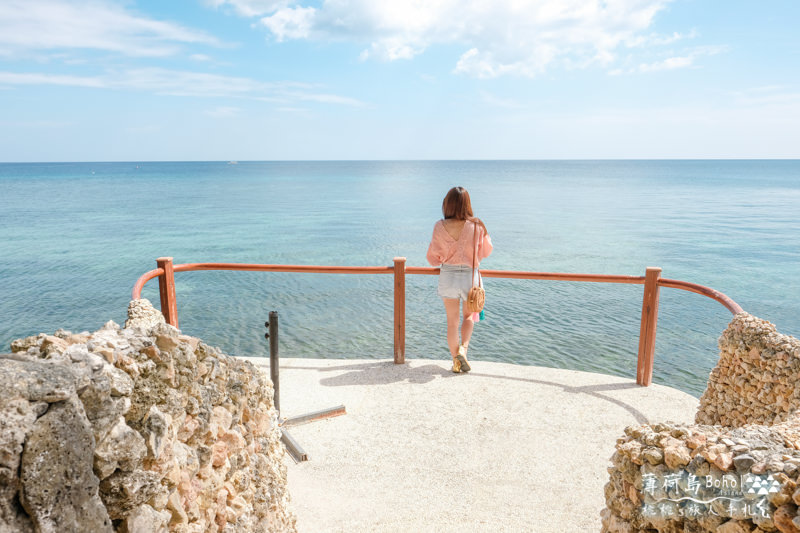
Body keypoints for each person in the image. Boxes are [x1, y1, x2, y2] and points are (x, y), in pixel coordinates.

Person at [426, 186, 493, 373]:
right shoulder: (477, 225)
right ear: (467, 204)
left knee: (452, 321)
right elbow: (487, 251)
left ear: (447, 204)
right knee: (469, 317)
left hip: (448, 275)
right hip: (470, 277)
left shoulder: (439, 226)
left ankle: (456, 360)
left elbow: (432, 257)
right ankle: (464, 349)